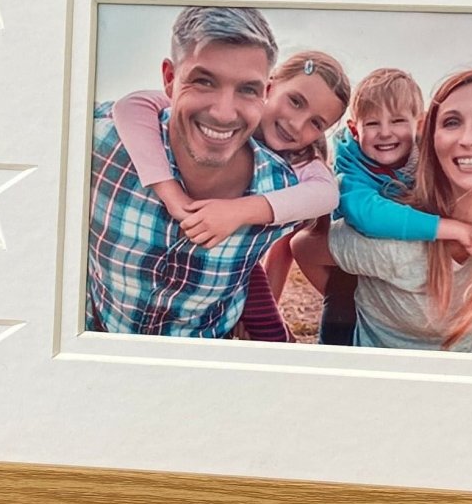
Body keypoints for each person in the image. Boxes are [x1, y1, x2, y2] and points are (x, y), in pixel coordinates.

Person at [294, 69, 472, 352]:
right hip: (362, 247)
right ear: (355, 129)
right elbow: (365, 216)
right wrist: (454, 230)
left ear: (421, 126)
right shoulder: (354, 178)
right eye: (452, 122)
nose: (468, 139)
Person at [88, 5, 298, 338]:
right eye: (203, 82)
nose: (224, 113)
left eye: (247, 89)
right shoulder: (97, 147)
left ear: (266, 94)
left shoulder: (284, 188)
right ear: (170, 80)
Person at [112, 50, 350, 340]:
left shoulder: (301, 160)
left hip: (243, 269)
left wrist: (236, 212)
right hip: (172, 259)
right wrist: (171, 193)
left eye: (316, 123)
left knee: (272, 336)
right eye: (295, 102)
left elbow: (326, 195)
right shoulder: (226, 111)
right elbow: (132, 105)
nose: (297, 124)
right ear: (269, 87)